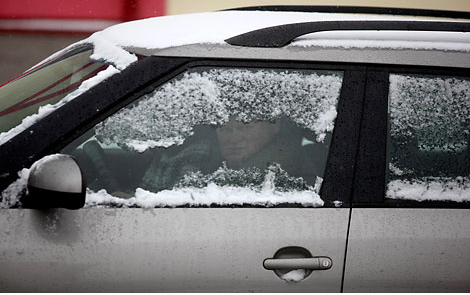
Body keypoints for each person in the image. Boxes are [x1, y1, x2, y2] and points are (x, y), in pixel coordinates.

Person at [71, 110, 328, 199]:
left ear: (275, 126)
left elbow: (194, 206)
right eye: (225, 128)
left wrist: (136, 205)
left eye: (245, 126)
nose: (233, 136)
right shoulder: (210, 159)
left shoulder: (279, 169)